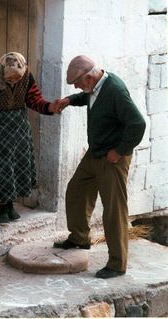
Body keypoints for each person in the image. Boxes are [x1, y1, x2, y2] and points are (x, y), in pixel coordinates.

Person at [53, 55, 146, 279]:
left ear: (89, 77)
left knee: (113, 210)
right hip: (95, 153)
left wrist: (120, 150)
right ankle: (80, 238)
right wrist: (69, 100)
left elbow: (138, 123)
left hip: (112, 158)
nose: (76, 87)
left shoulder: (115, 90)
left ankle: (117, 264)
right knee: (76, 191)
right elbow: (89, 98)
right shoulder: (96, 86)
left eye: (77, 83)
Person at [0, 52, 59, 226]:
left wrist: (50, 107)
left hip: (20, 127)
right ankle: (2, 207)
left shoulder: (26, 75)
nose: (13, 82)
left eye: (16, 80)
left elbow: (34, 100)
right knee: (2, 167)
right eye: (9, 80)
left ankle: (11, 206)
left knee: (18, 165)